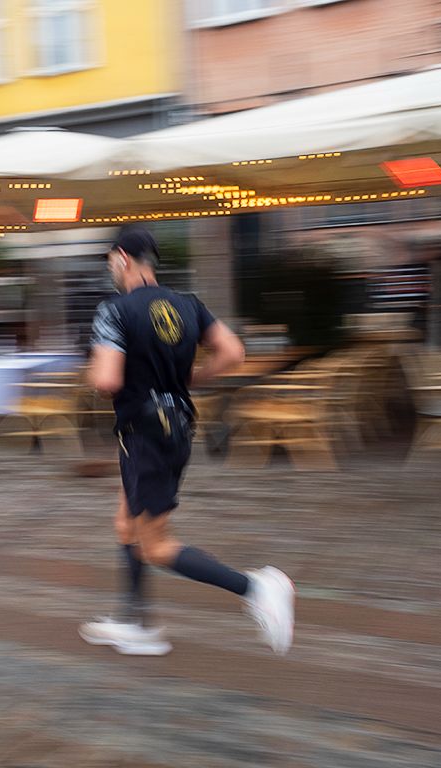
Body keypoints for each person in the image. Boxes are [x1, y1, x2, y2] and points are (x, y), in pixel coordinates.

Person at [79, 225, 295, 657]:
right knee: (127, 523)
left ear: (122, 258)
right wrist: (193, 377)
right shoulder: (188, 304)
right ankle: (134, 622)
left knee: (155, 545)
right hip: (175, 427)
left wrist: (92, 373)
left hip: (144, 434)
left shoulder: (114, 310)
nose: (109, 269)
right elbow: (233, 352)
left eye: (109, 262)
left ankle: (256, 587)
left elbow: (107, 379)